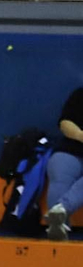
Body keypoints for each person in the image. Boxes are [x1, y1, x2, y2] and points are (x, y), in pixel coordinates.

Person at [45, 85, 83, 241]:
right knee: (60, 169)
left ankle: (61, 209)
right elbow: (65, 123)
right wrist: (81, 135)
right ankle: (58, 228)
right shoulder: (80, 95)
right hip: (71, 149)